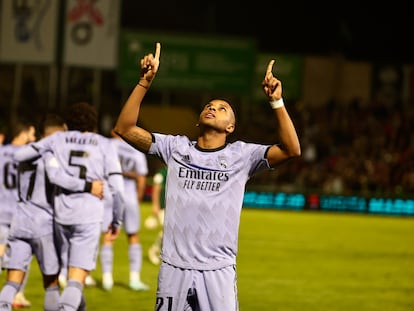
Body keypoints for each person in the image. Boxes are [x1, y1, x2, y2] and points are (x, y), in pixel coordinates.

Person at [113, 43, 301, 310]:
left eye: (222, 108)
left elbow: (292, 149)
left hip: (218, 271)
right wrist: (144, 82)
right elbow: (124, 128)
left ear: (231, 127)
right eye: (209, 106)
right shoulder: (175, 148)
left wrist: (276, 102)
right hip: (174, 268)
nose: (213, 108)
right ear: (198, 120)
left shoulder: (242, 156)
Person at [14, 102, 125, 311]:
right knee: (76, 278)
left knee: (68, 278)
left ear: (67, 124)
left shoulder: (57, 139)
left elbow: (20, 156)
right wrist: (117, 220)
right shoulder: (105, 144)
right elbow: (118, 189)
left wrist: (44, 153)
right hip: (89, 217)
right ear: (93, 124)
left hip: (61, 216)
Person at [0, 113, 104, 311]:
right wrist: (89, 186)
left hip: (19, 219)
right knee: (52, 283)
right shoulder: (54, 156)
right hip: (44, 223)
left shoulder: (27, 152)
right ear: (60, 133)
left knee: (12, 282)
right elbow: (61, 179)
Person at [99, 130, 149, 291]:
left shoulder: (108, 145)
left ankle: (107, 279)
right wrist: (138, 198)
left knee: (108, 235)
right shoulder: (136, 149)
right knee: (133, 235)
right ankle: (135, 279)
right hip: (129, 195)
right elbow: (141, 178)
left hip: (110, 193)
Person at [0, 121, 36, 309]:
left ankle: (15, 296)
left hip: (0, 211)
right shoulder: (28, 155)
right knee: (22, 256)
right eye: (30, 133)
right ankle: (16, 294)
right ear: (23, 134)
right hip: (18, 213)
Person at [147, 164, 167, 265]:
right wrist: (155, 205)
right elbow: (156, 189)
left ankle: (159, 251)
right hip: (163, 207)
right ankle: (154, 250)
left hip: (173, 208)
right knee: (167, 231)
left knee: (169, 233)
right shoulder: (161, 173)